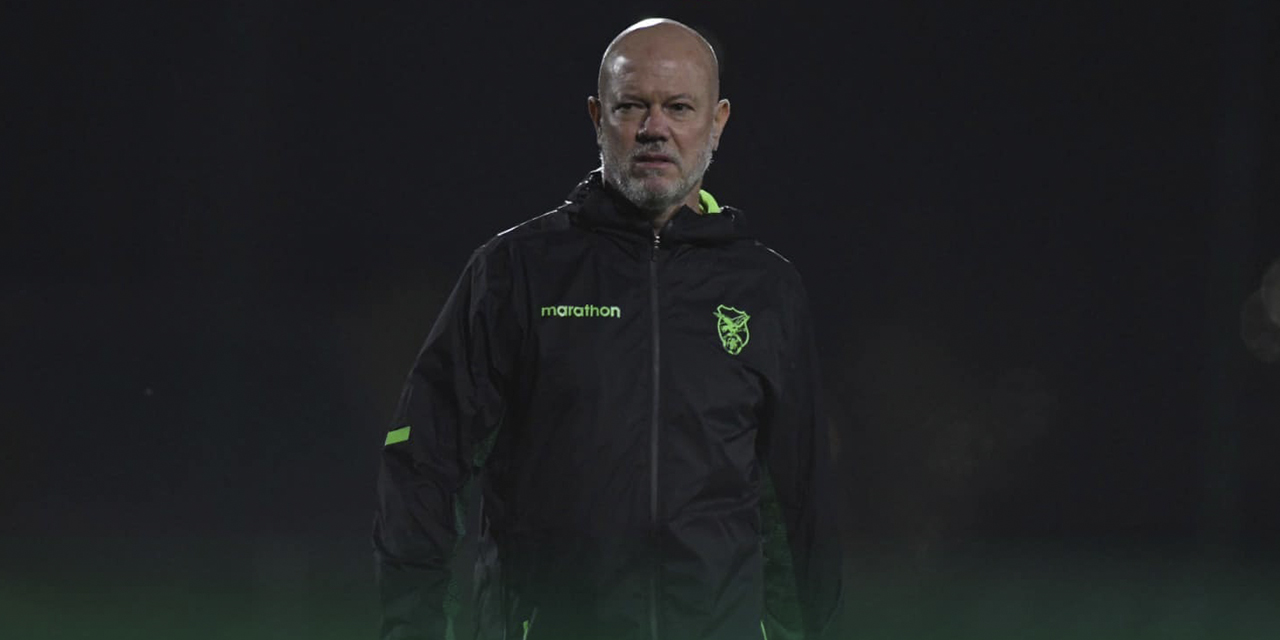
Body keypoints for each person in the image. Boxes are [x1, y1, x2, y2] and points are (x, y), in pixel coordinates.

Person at [373, 18, 842, 640]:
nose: (655, 129)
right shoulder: (516, 273)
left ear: (718, 121)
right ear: (598, 116)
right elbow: (423, 465)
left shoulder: (767, 291)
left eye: (678, 107)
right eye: (632, 107)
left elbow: (799, 503)